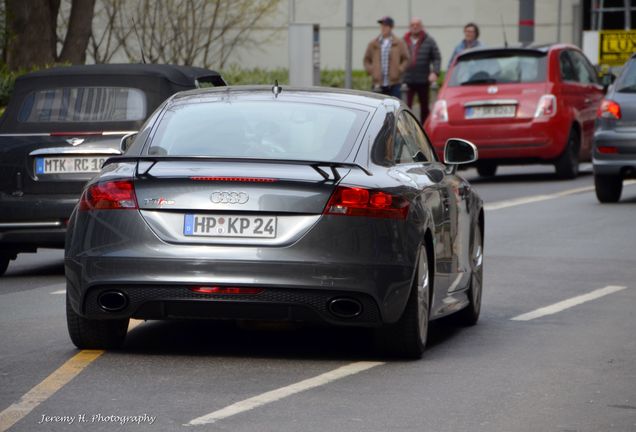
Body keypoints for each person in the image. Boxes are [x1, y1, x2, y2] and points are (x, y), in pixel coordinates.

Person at [403, 17, 441, 123]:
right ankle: (407, 130)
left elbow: (436, 57)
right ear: (409, 27)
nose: (415, 27)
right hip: (407, 81)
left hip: (423, 80)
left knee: (425, 108)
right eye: (412, 25)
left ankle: (425, 131)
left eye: (417, 24)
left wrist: (435, 72)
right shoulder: (403, 40)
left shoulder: (429, 40)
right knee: (405, 108)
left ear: (421, 26)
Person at [363, 16, 410, 99]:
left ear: (391, 27)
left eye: (385, 26)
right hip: (377, 84)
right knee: (378, 108)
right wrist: (372, 70)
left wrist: (399, 69)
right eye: (382, 26)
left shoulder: (399, 43)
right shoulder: (373, 43)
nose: (383, 28)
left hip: (394, 84)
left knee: (394, 107)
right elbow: (366, 59)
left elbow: (406, 59)